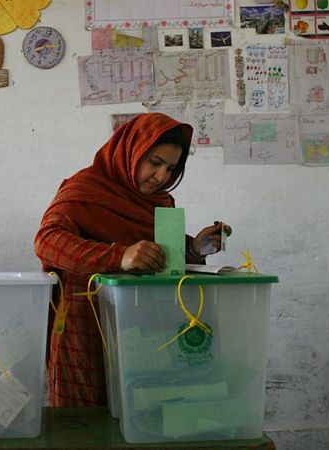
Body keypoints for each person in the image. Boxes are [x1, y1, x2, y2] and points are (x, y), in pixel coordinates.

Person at [34, 113, 230, 406]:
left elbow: (157, 253)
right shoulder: (85, 190)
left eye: (171, 168)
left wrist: (193, 248)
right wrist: (119, 256)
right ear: (131, 151)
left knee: (143, 410)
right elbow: (47, 241)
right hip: (85, 327)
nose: (161, 177)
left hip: (145, 327)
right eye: (155, 162)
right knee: (86, 419)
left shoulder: (159, 201)